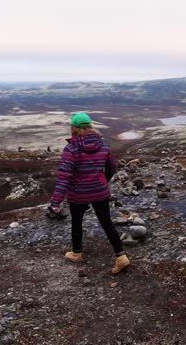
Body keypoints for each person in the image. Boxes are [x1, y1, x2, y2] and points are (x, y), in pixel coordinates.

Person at [50, 112, 130, 274]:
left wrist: (56, 201)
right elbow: (112, 167)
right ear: (90, 126)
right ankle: (121, 257)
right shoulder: (103, 145)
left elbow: (64, 176)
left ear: (74, 128)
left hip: (78, 193)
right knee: (107, 223)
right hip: (99, 191)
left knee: (77, 222)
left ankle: (77, 253)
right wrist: (102, 181)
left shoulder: (71, 149)